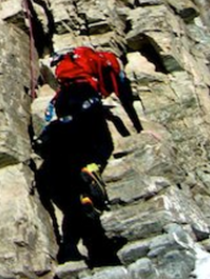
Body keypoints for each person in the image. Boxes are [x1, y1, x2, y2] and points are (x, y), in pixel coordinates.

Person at [34, 46, 144, 266]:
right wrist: (139, 128)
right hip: (87, 99)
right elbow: (122, 93)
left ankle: (71, 244)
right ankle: (92, 168)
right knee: (103, 144)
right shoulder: (104, 64)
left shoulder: (66, 75)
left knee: (73, 180)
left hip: (64, 106)